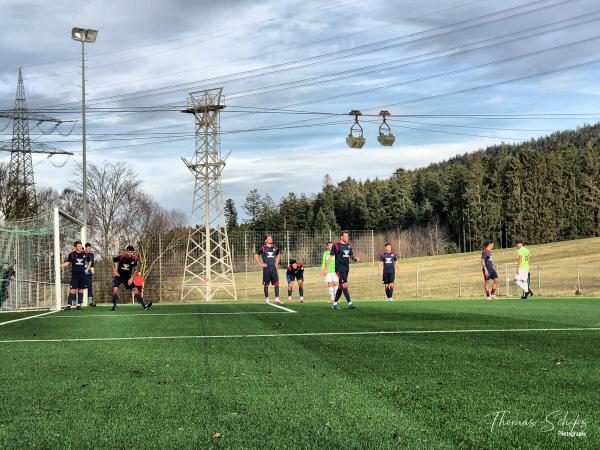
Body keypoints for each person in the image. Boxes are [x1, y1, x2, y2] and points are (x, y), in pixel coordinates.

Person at [321, 230, 359, 310]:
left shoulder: (348, 246)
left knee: (341, 287)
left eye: (347, 236)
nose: (347, 238)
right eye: (345, 236)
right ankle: (350, 303)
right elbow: (330, 257)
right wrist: (326, 268)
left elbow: (351, 256)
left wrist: (355, 259)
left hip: (346, 268)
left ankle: (334, 304)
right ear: (341, 237)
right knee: (345, 285)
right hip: (339, 269)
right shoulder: (336, 245)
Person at [111, 245, 151, 311]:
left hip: (128, 278)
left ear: (133, 253)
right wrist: (115, 271)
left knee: (136, 290)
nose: (130, 253)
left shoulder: (134, 259)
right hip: (118, 277)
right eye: (129, 252)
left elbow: (136, 269)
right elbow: (112, 261)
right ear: (126, 252)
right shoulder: (121, 257)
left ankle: (144, 306)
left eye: (132, 252)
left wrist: (131, 278)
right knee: (115, 290)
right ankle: (114, 306)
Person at [254, 234, 281, 304]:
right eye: (269, 238)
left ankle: (277, 299)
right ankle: (267, 299)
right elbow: (256, 256)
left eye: (271, 238)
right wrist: (260, 264)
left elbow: (278, 255)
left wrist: (276, 264)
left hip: (273, 268)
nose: (270, 239)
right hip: (266, 269)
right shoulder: (263, 248)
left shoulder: (275, 247)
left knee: (277, 283)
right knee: (266, 284)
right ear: (266, 240)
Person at [61, 240, 87, 310]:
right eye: (78, 246)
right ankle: (69, 305)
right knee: (72, 290)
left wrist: (87, 269)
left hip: (83, 276)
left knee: (81, 290)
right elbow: (68, 263)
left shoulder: (85, 254)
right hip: (75, 276)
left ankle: (79, 305)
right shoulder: (72, 254)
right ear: (75, 247)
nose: (80, 247)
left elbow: (90, 261)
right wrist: (60, 265)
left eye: (81, 245)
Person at [84, 242, 96, 307]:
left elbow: (91, 263)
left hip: (89, 273)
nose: (89, 249)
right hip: (82, 273)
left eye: (90, 248)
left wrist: (87, 267)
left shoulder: (91, 255)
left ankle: (90, 302)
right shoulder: (82, 254)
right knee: (80, 288)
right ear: (85, 248)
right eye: (88, 248)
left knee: (90, 288)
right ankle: (77, 303)